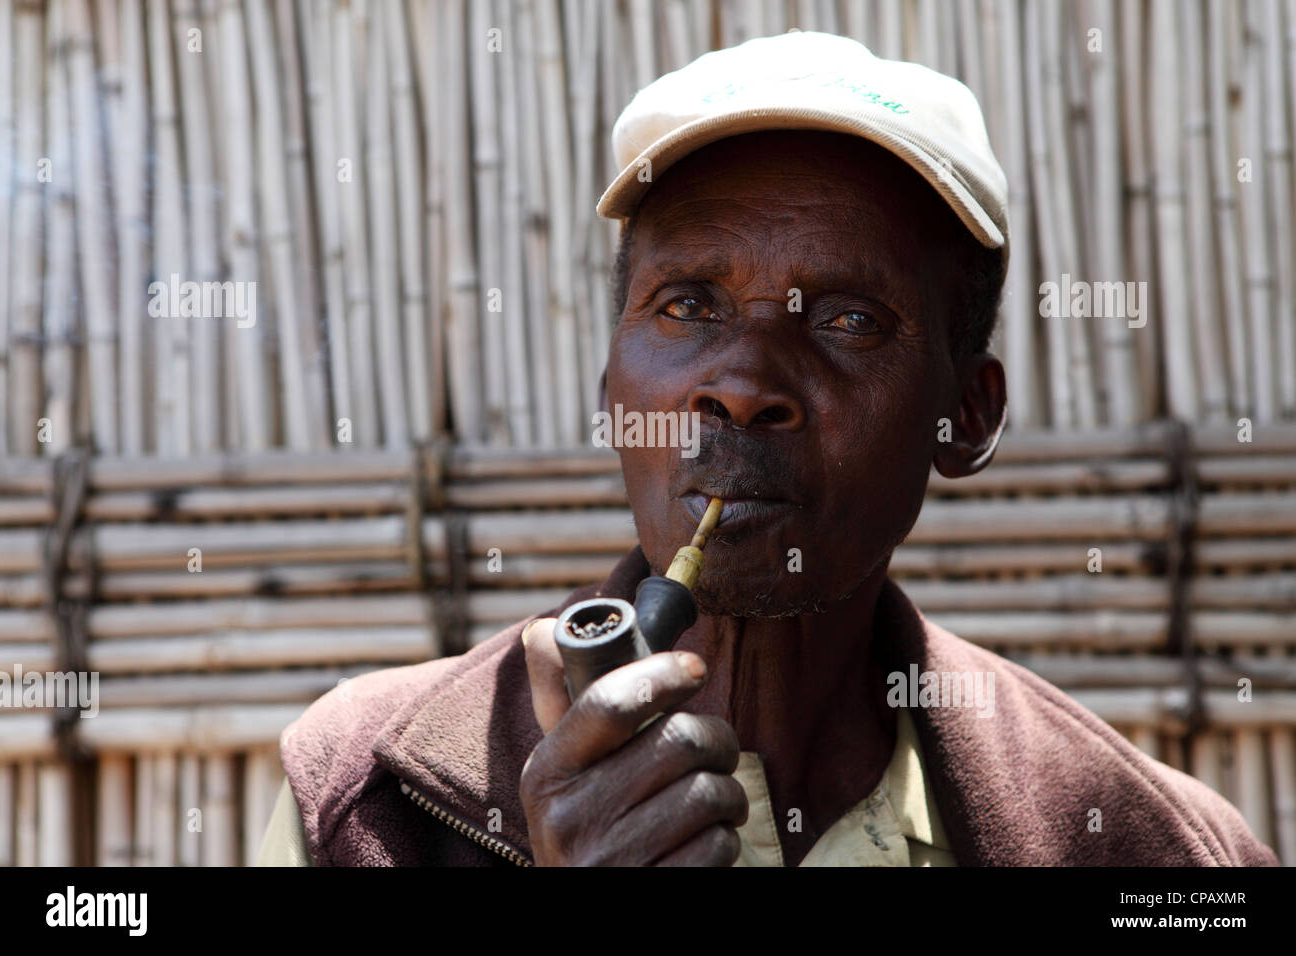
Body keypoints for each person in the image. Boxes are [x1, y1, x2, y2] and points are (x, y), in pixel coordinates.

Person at [256, 31, 1278, 867]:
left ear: (962, 416)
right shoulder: (360, 803)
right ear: (613, 393)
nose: (741, 384)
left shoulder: (1157, 855)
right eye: (688, 304)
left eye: (845, 320)